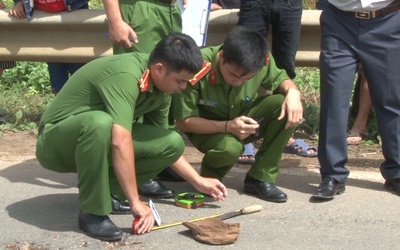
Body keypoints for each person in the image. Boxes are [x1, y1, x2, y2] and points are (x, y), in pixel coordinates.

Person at [35, 33, 228, 241]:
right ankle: (92, 212)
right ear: (159, 69)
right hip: (55, 143)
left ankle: (109, 194)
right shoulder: (126, 74)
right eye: (181, 81)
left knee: (172, 142)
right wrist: (136, 201)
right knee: (99, 123)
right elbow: (120, 140)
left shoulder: (162, 88)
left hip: (95, 140)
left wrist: (198, 181)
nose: (183, 87)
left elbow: (162, 145)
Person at [173, 26, 303, 203]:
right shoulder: (197, 66)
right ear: (221, 57)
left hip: (243, 120)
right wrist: (228, 126)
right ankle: (211, 176)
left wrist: (294, 93)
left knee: (285, 105)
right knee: (230, 147)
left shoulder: (261, 60)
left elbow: (282, 79)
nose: (238, 82)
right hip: (205, 128)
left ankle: (260, 178)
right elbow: (184, 121)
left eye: (246, 79)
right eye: (233, 75)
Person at [312, 0, 400, 200]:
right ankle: (332, 175)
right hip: (339, 20)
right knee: (334, 99)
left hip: (388, 18)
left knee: (391, 100)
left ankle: (397, 171)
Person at [102, 0, 189, 197]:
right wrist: (115, 20)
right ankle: (137, 170)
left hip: (170, 10)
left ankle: (159, 160)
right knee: (142, 85)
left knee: (166, 87)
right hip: (142, 10)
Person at [237, 0, 317, 163]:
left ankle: (284, 135)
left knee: (286, 69)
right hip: (255, 4)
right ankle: (243, 133)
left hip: (290, 4)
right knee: (244, 64)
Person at [316, 0, 373, 145]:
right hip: (339, 13)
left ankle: (361, 123)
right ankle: (332, 166)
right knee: (334, 95)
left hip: (385, 15)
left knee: (387, 93)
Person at [9, 0, 88, 94]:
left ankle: (82, 105)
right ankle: (61, 107)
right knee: (56, 67)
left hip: (74, 12)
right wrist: (20, 2)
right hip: (46, 19)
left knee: (78, 67)